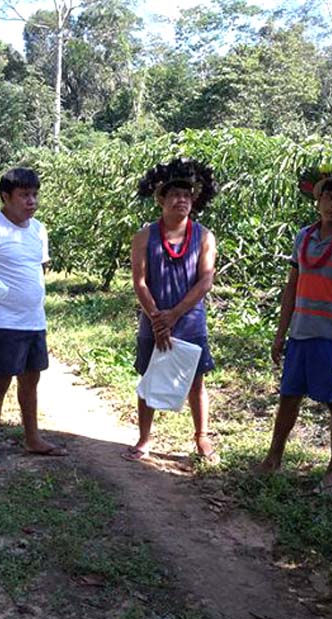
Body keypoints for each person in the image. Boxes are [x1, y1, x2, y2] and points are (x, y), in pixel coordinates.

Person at [255, 165, 332, 494]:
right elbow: (291, 288)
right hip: (301, 333)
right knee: (289, 397)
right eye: (329, 197)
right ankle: (273, 457)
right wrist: (281, 333)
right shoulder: (304, 236)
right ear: (318, 201)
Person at [124, 158, 219, 463]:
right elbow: (139, 281)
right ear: (161, 199)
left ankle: (201, 437)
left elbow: (206, 280)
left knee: (196, 379)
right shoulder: (144, 236)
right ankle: (144, 438)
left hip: (189, 320)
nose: (182, 200)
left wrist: (175, 314)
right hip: (153, 318)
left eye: (188, 195)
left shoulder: (204, 237)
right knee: (148, 376)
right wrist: (156, 317)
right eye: (175, 194)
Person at [0, 167, 63, 476]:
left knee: (31, 378)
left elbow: (38, 268)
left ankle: (32, 437)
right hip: (2, 321)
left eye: (35, 195)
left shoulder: (38, 229)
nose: (31, 201)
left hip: (33, 320)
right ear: (5, 197)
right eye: (24, 195)